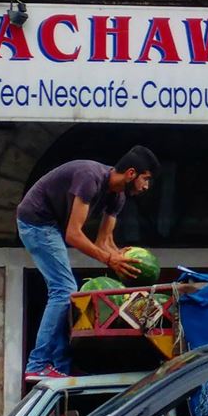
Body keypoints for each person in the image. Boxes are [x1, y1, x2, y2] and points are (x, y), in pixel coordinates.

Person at [16, 145, 161, 381]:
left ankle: (61, 366)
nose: (146, 187)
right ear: (132, 173)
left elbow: (104, 242)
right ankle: (38, 363)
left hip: (53, 225)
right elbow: (73, 235)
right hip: (36, 222)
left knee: (66, 291)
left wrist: (121, 256)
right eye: (146, 179)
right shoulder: (90, 178)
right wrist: (109, 258)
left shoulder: (118, 197)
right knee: (64, 290)